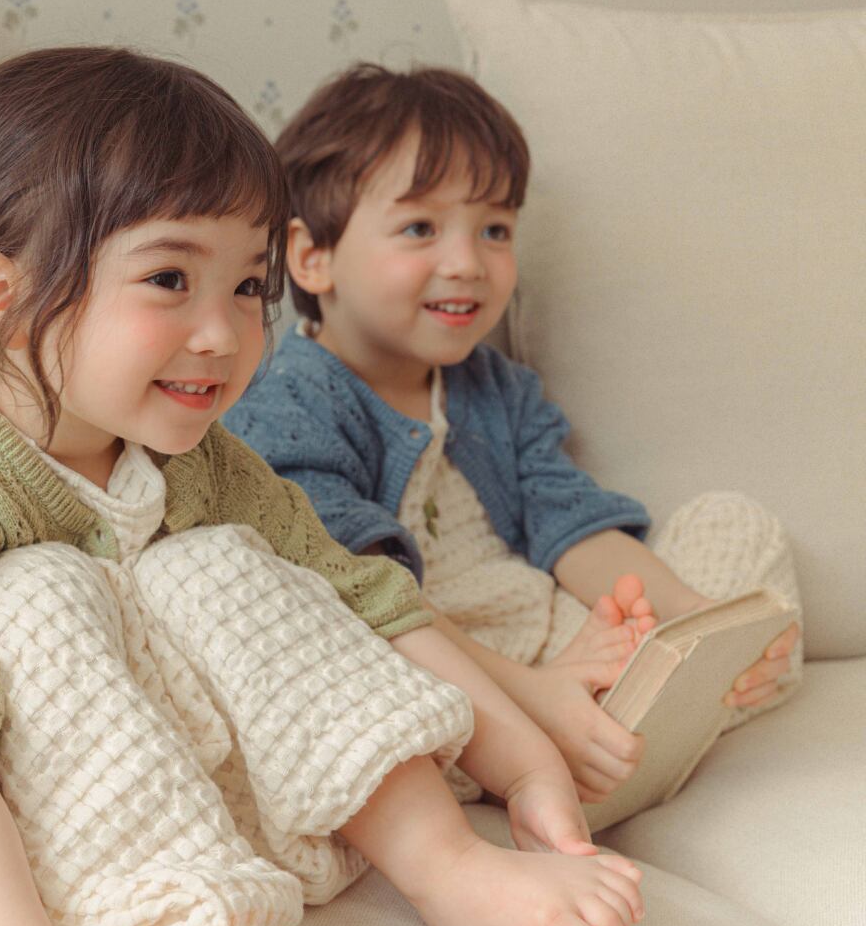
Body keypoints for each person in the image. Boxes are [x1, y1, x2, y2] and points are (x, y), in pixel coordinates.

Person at [0, 48, 644, 926]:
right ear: (2, 296)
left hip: (92, 773)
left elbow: (357, 593)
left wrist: (522, 766)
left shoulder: (187, 450)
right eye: (169, 281)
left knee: (220, 562)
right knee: (37, 589)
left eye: (248, 287)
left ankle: (447, 871)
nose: (225, 334)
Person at [224, 62, 803, 806]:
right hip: (437, 660)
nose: (468, 263)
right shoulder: (289, 404)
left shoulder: (496, 388)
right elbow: (364, 598)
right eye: (421, 228)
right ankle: (576, 749)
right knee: (370, 687)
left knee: (734, 524)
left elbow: (570, 524)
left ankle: (646, 721)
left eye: (494, 230)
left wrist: (693, 625)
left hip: (548, 637)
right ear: (312, 257)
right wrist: (530, 694)